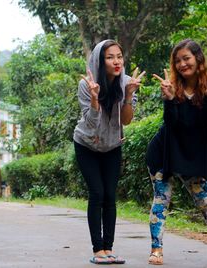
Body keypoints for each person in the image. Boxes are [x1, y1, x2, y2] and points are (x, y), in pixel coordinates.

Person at [146, 39, 207, 265]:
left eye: (186, 58)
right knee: (161, 201)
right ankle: (156, 251)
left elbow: (203, 123)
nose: (182, 64)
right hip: (164, 153)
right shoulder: (172, 88)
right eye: (177, 60)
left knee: (206, 202)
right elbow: (172, 124)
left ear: (198, 59)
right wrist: (169, 100)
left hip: (191, 155)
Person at [73, 39, 145, 265]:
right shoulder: (87, 84)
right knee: (97, 193)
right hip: (86, 144)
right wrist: (95, 99)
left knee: (110, 196)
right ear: (99, 60)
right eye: (110, 57)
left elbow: (126, 120)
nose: (117, 61)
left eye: (119, 56)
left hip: (113, 145)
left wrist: (129, 95)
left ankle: (109, 249)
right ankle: (98, 250)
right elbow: (91, 124)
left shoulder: (125, 83)